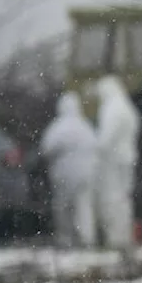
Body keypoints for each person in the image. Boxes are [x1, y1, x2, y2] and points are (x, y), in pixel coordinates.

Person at [39, 91, 99, 249]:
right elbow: (95, 146)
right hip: (87, 174)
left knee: (63, 208)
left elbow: (46, 149)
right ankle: (87, 239)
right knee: (84, 207)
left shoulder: (58, 127)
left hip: (64, 175)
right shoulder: (85, 126)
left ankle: (66, 240)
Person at [93, 75, 141, 250]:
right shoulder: (127, 106)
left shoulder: (112, 108)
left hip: (113, 161)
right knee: (125, 199)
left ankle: (116, 239)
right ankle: (125, 236)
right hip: (128, 157)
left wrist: (96, 149)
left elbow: (105, 139)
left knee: (112, 199)